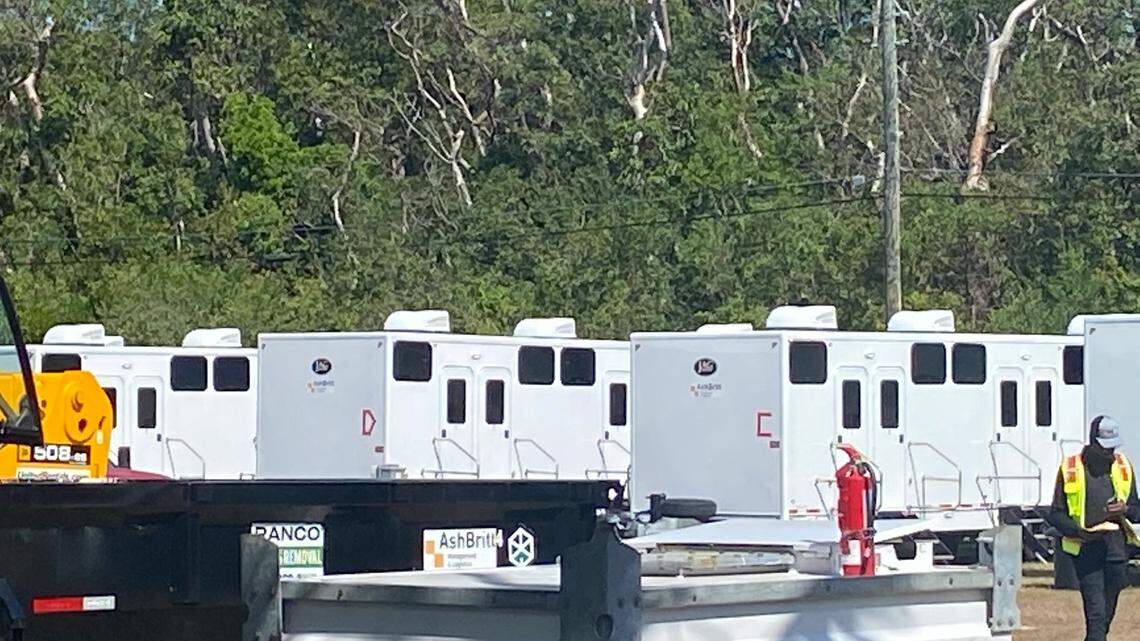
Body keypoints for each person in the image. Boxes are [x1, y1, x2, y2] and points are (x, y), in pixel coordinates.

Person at [1047, 415, 1140, 641]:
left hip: (1117, 552)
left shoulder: (1123, 466)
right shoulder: (1071, 468)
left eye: (1113, 447)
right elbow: (1056, 514)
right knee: (1096, 615)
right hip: (1087, 550)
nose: (1109, 453)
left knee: (1106, 616)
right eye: (1105, 447)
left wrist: (1125, 509)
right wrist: (1078, 532)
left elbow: (1137, 510)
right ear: (1092, 441)